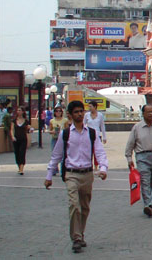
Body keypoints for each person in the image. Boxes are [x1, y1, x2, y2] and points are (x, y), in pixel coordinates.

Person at [44, 100, 108, 253]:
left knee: (84, 208)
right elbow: (57, 155)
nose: (80, 114)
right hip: (71, 174)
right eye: (76, 112)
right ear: (70, 115)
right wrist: (49, 175)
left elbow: (99, 151)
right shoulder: (65, 134)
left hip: (87, 174)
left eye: (81, 111)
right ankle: (76, 238)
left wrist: (104, 168)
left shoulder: (91, 133)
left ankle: (81, 233)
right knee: (74, 205)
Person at [10, 106, 34, 175]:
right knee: (17, 153)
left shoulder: (26, 121)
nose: (18, 111)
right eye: (17, 110)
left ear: (23, 112)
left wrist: (30, 129)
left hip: (23, 139)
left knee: (22, 153)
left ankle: (21, 169)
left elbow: (28, 129)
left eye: (20, 110)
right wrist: (12, 136)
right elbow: (11, 129)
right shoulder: (14, 121)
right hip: (16, 139)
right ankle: (19, 166)